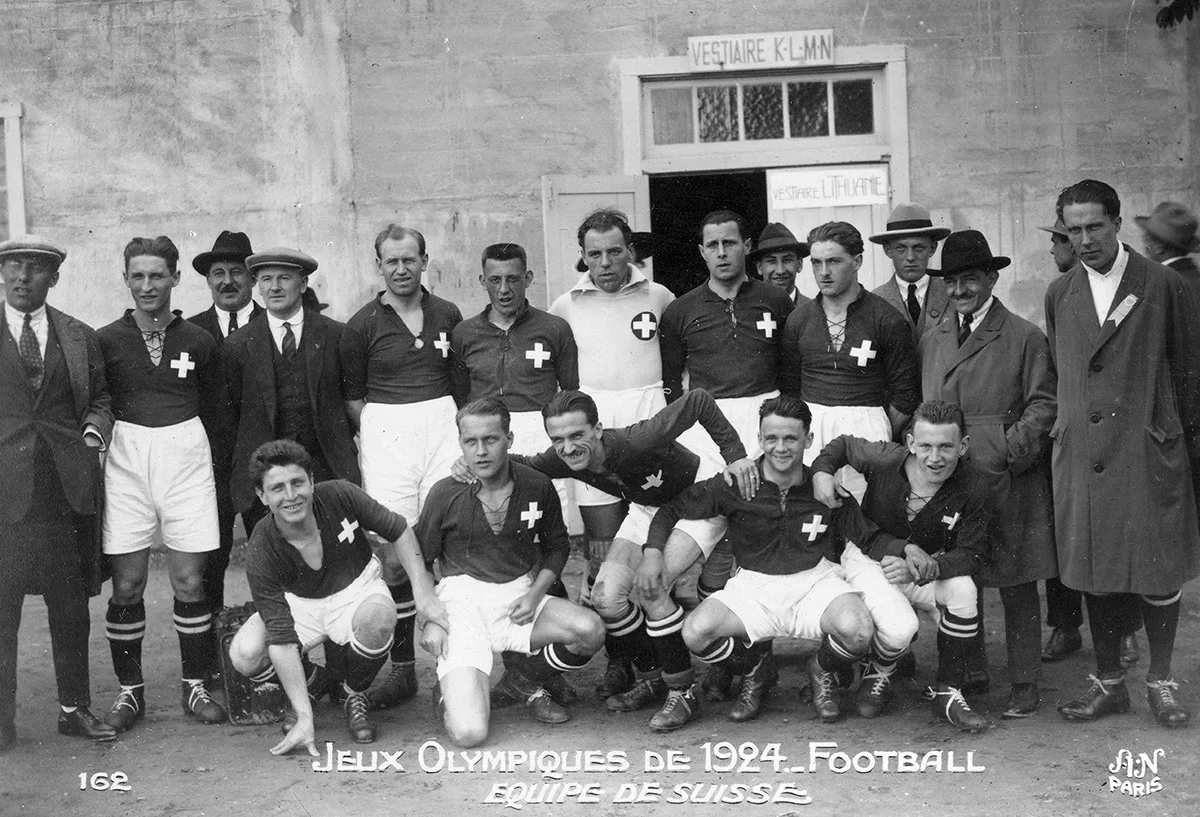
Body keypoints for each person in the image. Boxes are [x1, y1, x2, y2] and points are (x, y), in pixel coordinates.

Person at [464, 388, 754, 730]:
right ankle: (654, 675)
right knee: (606, 598)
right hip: (649, 509)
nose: (568, 447)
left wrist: (735, 454)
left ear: (598, 430)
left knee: (652, 587)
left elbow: (700, 400)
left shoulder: (639, 441)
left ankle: (682, 691)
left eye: (577, 435)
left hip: (701, 501)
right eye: (557, 439)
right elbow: (522, 463)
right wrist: (466, 465)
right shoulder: (563, 457)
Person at [1046, 179, 1198, 728]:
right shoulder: (1061, 293)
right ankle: (1109, 683)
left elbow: (1188, 376)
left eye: (1094, 227)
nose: (1084, 239)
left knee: (1158, 572)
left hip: (1147, 448)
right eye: (1073, 229)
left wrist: (1174, 441)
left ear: (1116, 222)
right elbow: (1066, 376)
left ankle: (1160, 680)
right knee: (1095, 569)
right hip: (1085, 456)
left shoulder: (1162, 286)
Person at [648, 396, 877, 726]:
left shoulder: (823, 487)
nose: (780, 448)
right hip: (753, 586)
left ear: (808, 440)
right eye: (771, 438)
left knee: (858, 631)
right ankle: (754, 668)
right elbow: (672, 508)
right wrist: (652, 551)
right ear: (759, 439)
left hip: (814, 582)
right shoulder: (738, 483)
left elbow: (869, 536)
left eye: (790, 438)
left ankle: (821, 668)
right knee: (695, 633)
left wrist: (908, 551)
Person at [228, 440, 444, 753]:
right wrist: (304, 716)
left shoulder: (341, 494)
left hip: (357, 588)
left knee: (379, 620)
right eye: (277, 488)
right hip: (299, 602)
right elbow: (281, 638)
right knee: (245, 654)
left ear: (312, 481)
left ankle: (352, 692)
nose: (291, 496)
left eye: (298, 482)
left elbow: (398, 530)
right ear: (262, 495)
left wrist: (423, 594)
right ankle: (315, 682)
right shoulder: (262, 546)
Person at [919, 230, 1056, 718]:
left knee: (1017, 581)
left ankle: (1025, 683)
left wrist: (1005, 448)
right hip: (953, 479)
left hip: (1007, 480)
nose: (960, 290)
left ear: (992, 278)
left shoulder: (1022, 335)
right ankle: (969, 670)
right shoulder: (934, 336)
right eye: (952, 280)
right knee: (964, 574)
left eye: (970, 279)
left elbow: (1043, 405)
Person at [415, 398, 605, 746]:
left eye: (491, 439)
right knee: (470, 733)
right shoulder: (445, 493)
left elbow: (557, 546)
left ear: (510, 439)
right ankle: (449, 694)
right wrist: (429, 615)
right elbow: (422, 560)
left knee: (589, 630)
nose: (481, 451)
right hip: (462, 605)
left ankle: (523, 681)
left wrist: (535, 595)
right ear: (460, 445)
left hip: (517, 596)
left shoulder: (535, 485)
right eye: (470, 442)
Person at [97, 236, 226, 732]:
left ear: (175, 278)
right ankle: (130, 693)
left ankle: (193, 685)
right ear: (126, 280)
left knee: (189, 580)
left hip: (186, 455)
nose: (148, 285)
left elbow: (216, 411)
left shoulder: (199, 340)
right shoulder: (105, 340)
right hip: (128, 457)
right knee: (127, 583)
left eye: (157, 276)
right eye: (138, 276)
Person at [548, 208, 675, 696]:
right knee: (602, 551)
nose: (605, 263)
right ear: (582, 256)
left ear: (630, 251)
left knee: (647, 544)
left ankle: (664, 658)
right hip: (593, 438)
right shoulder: (565, 306)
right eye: (594, 254)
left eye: (614, 251)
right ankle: (624, 659)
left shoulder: (659, 297)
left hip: (645, 434)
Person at [0, 235, 117, 750]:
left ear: (54, 277)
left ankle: (74, 709)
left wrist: (93, 432)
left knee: (70, 609)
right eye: (12, 268)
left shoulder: (77, 335)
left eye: (34, 269)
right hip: (3, 498)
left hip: (63, 495)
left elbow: (102, 398)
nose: (22, 278)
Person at [812, 401, 994, 732]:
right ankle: (878, 667)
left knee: (965, 589)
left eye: (945, 447)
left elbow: (973, 553)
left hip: (924, 565)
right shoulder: (884, 459)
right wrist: (822, 471)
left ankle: (947, 691)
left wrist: (930, 567)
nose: (934, 458)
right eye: (925, 446)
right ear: (910, 443)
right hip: (870, 557)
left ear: (963, 446)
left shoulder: (974, 485)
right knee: (900, 628)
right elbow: (841, 445)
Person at [340, 224, 464, 710]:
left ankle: (447, 670)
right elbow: (353, 397)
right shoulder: (362, 324)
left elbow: (459, 384)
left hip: (440, 427)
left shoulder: (447, 314)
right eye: (391, 261)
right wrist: (382, 433)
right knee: (394, 552)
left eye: (409, 259)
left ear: (424, 260)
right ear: (379, 265)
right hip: (387, 432)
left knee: (442, 545)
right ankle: (403, 670)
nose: (401, 269)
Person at [1035, 218, 1143, 666]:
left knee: (1123, 537)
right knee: (1069, 537)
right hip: (1076, 434)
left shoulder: (1134, 287)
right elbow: (1060, 364)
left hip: (1121, 436)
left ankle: (1128, 630)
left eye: (1059, 241)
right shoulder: (1060, 294)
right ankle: (1066, 624)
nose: (1061, 249)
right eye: (1065, 238)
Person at [779, 221, 921, 500]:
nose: (824, 272)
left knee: (867, 513)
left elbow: (905, 395)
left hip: (868, 431)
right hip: (813, 430)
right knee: (814, 516)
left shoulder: (886, 319)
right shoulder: (799, 320)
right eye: (817, 263)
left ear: (857, 262)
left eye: (833, 261)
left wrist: (871, 425)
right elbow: (790, 386)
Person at [187, 230, 262, 617]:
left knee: (273, 559)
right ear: (208, 280)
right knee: (207, 566)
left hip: (261, 464)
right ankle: (213, 664)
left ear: (252, 278)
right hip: (208, 468)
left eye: (237, 271)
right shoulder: (191, 332)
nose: (228, 281)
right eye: (219, 272)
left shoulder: (271, 325)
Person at [869, 203, 951, 338]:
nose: (910, 257)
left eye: (919, 248)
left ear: (932, 248)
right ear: (888, 250)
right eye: (901, 248)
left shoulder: (951, 293)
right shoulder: (876, 300)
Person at [749, 222, 809, 305]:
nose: (780, 271)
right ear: (759, 267)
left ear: (799, 264)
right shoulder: (747, 310)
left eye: (787, 260)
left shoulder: (816, 310)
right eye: (771, 261)